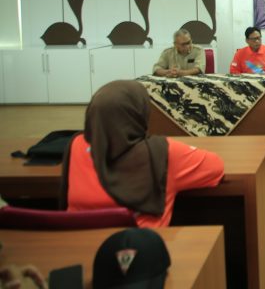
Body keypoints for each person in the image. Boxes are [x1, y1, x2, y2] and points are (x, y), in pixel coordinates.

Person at [61, 80, 224, 228]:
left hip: (75, 248)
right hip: (137, 253)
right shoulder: (162, 152)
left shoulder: (76, 145)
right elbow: (216, 167)